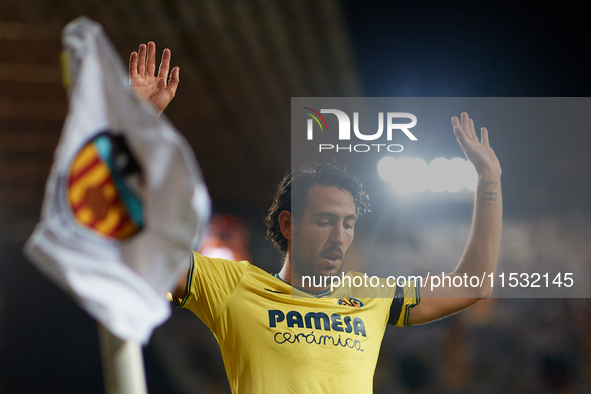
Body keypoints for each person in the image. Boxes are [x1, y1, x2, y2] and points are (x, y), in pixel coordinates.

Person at [129, 42, 503, 393]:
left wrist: (489, 180)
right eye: (325, 221)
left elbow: (473, 285)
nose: (339, 236)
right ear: (288, 225)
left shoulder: (371, 295)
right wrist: (136, 123)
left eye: (349, 223)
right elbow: (141, 241)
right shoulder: (232, 287)